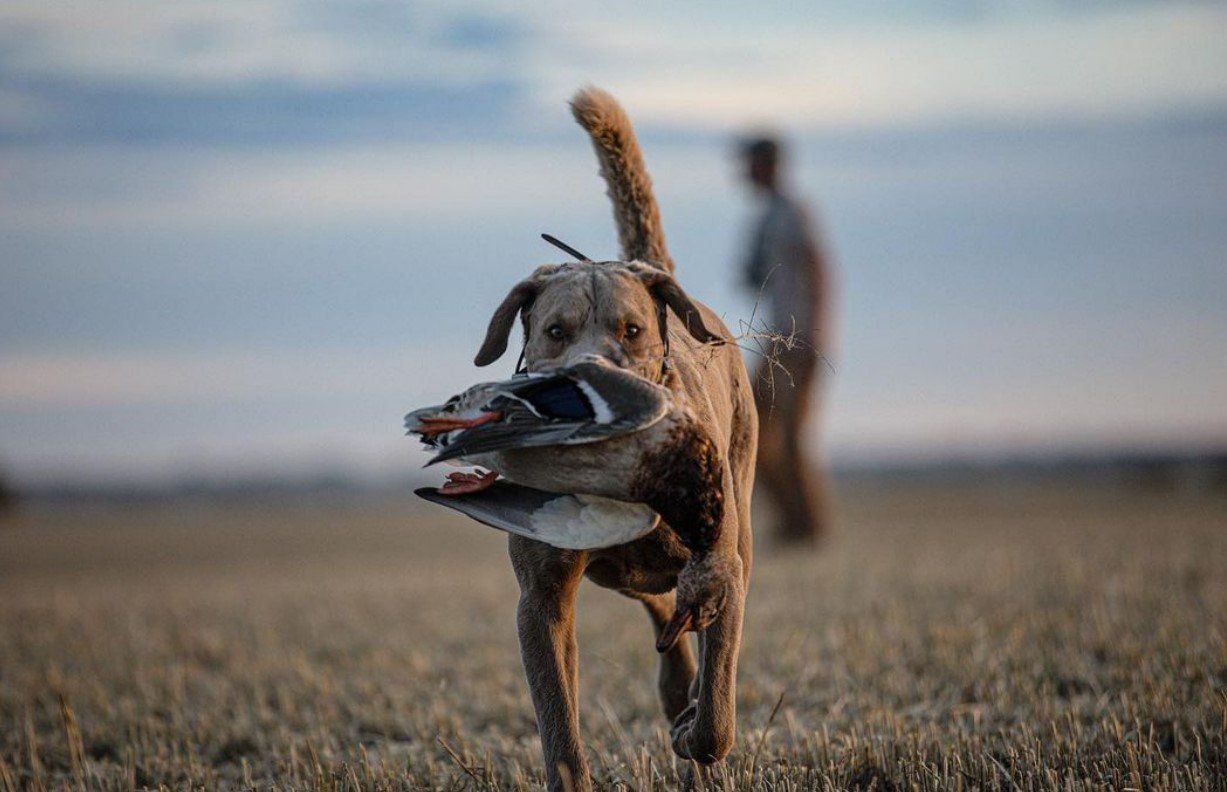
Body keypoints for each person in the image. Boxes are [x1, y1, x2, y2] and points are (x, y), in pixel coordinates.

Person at [737, 135, 833, 544]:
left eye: (750, 163)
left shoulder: (792, 213)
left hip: (797, 339)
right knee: (752, 427)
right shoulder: (769, 216)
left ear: (767, 165)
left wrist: (816, 334)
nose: (744, 171)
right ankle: (795, 523)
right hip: (781, 336)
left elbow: (818, 269)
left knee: (785, 433)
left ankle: (805, 527)